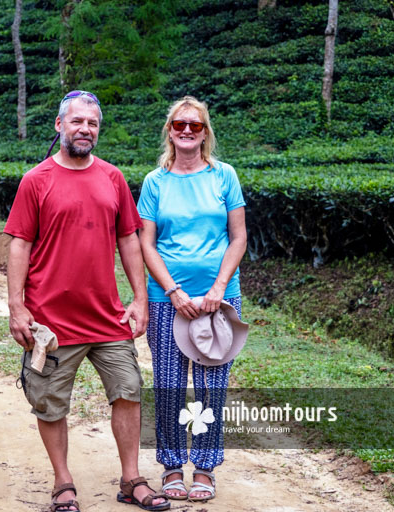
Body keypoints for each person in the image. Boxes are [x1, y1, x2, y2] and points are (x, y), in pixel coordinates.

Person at [5, 90, 170, 512]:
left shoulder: (112, 178)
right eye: (77, 121)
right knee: (50, 401)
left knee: (129, 390)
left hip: (106, 316)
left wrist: (139, 299)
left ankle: (131, 479)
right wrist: (17, 306)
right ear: (60, 125)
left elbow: (128, 240)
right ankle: (63, 484)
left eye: (92, 123)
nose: (85, 129)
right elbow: (19, 246)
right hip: (52, 322)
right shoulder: (35, 180)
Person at [137, 96, 247, 502]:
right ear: (170, 130)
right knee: (168, 384)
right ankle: (170, 466)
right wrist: (173, 291)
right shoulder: (155, 182)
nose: (186, 130)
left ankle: (204, 467)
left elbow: (238, 237)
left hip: (220, 300)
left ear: (205, 132)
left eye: (195, 125)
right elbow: (146, 243)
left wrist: (218, 288)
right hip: (167, 301)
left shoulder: (224, 176)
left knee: (211, 387)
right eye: (179, 124)